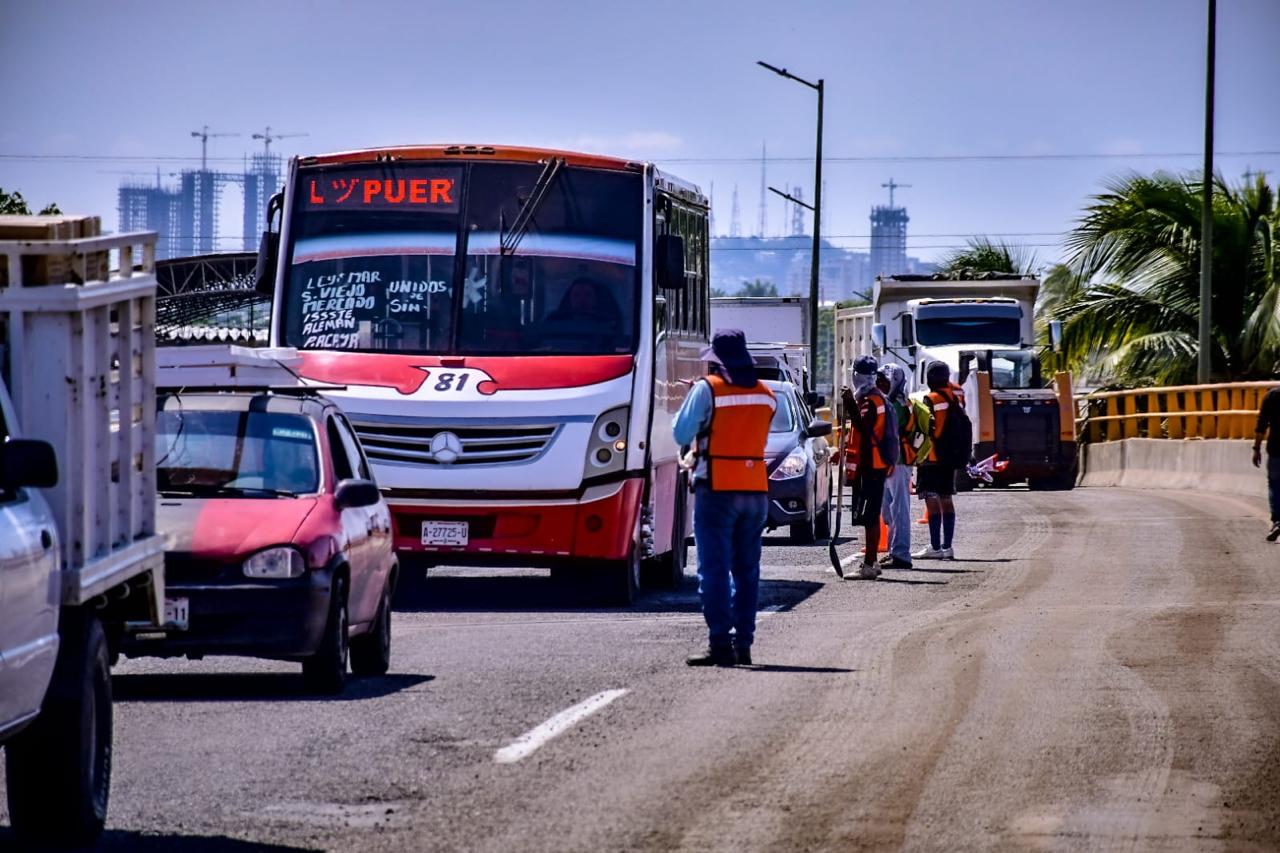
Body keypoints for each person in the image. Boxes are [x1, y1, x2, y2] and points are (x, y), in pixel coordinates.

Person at [673, 329, 777, 667]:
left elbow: (681, 432)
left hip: (717, 488)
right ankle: (743, 644)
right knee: (747, 571)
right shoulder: (767, 394)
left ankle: (720, 644)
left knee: (714, 569)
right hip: (756, 490)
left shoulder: (708, 390)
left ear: (716, 360)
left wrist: (694, 404)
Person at [840, 355, 894, 579]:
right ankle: (870, 562)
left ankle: (870, 563)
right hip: (874, 463)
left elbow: (864, 427)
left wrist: (850, 404)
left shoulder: (871, 400)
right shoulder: (874, 397)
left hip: (872, 464)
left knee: (870, 515)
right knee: (869, 514)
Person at [914, 361, 964, 560]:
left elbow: (924, 430)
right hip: (950, 457)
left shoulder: (930, 399)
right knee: (946, 498)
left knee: (931, 499)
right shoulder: (955, 396)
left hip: (932, 457)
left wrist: (916, 454)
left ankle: (935, 546)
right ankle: (947, 547)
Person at [876, 363, 922, 570]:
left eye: (885, 382)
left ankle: (902, 554)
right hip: (889, 461)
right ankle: (896, 551)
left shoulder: (897, 404)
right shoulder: (890, 402)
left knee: (899, 509)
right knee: (889, 510)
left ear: (894, 382)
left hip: (899, 461)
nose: (880, 385)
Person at [1252, 384, 1280, 542]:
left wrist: (1256, 448)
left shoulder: (1272, 395)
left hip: (1276, 448)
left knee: (1275, 484)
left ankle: (1277, 520)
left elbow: (1261, 424)